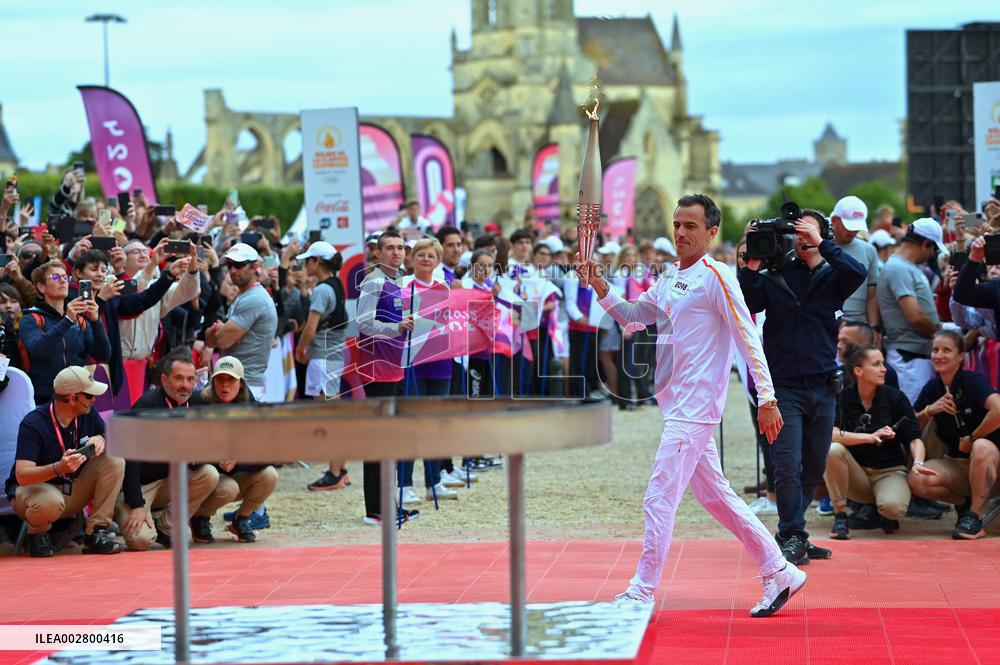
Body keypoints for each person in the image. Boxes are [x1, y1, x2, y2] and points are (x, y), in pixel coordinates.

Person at [583, 193, 805, 618]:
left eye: (691, 226)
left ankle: (642, 590)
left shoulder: (717, 276)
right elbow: (633, 316)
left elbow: (747, 337)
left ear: (711, 232)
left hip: (695, 408)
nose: (681, 232)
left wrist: (768, 397)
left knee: (658, 497)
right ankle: (780, 570)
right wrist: (599, 284)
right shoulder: (669, 276)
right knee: (717, 497)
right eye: (678, 224)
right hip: (675, 404)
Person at [738, 209, 867, 565]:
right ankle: (792, 534)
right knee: (786, 463)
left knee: (812, 464)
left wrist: (823, 243)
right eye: (796, 232)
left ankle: (796, 534)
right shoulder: (777, 274)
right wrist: (749, 261)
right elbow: (749, 300)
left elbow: (859, 272)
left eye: (805, 231)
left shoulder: (833, 275)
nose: (800, 238)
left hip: (824, 385)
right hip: (785, 387)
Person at [116, 347, 233, 550]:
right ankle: (132, 511)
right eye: (178, 378)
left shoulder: (198, 404)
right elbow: (129, 458)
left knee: (210, 474)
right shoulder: (147, 406)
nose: (185, 385)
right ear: (163, 380)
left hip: (172, 479)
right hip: (141, 485)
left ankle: (166, 527)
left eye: (190, 379)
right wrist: (136, 504)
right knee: (140, 540)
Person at [4, 366, 125, 557]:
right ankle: (37, 534)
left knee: (115, 460)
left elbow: (117, 440)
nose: (94, 399)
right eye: (89, 395)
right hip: (35, 493)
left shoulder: (88, 413)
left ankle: (96, 532)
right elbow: (22, 475)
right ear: (72, 398)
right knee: (48, 500)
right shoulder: (34, 423)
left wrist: (103, 438)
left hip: (71, 489)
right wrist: (58, 467)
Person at [825, 345, 932, 540]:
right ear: (858, 371)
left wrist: (918, 462)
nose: (884, 369)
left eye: (883, 363)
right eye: (876, 364)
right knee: (832, 450)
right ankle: (840, 515)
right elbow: (829, 434)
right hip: (856, 474)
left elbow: (914, 437)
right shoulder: (843, 397)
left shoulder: (895, 397)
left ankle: (882, 511)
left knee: (894, 509)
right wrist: (869, 436)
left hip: (889, 472)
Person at [909, 331, 1000, 539]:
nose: (939, 355)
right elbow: (911, 424)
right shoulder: (933, 387)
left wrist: (974, 436)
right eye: (935, 350)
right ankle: (964, 505)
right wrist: (929, 410)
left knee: (982, 447)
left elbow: (999, 410)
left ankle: (975, 518)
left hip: (992, 464)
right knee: (917, 478)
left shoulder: (973, 381)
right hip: (957, 465)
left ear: (960, 356)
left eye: (946, 350)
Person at [356, 231, 418, 525]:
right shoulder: (373, 281)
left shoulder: (398, 281)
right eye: (390, 248)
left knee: (390, 437)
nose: (396, 252)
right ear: (377, 253)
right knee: (378, 439)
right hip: (376, 368)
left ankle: (389, 505)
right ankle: (376, 510)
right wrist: (396, 328)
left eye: (400, 248)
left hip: (394, 366)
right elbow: (363, 323)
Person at [398, 238, 458, 500]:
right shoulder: (403, 286)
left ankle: (434, 482)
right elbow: (392, 319)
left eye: (431, 256)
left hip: (441, 362)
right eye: (420, 254)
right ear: (411, 258)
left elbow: (453, 320)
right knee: (411, 425)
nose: (425, 259)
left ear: (438, 260)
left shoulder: (445, 288)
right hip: (413, 362)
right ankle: (404, 485)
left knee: (435, 425)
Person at [199, 356, 279, 543]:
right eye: (220, 379)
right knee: (227, 486)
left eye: (231, 380)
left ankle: (241, 518)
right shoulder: (200, 404)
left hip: (236, 474)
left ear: (241, 383)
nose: (225, 386)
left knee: (270, 475)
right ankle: (200, 518)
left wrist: (239, 458)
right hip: (207, 478)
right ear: (213, 382)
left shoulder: (255, 410)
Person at [295, 241, 351, 491]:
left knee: (329, 417)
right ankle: (340, 469)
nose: (304, 264)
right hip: (333, 355)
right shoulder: (336, 285)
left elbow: (311, 327)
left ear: (318, 262)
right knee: (334, 414)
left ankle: (335, 472)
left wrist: (300, 348)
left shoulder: (321, 290)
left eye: (308, 260)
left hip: (322, 356)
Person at [20, 261, 112, 404]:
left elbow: (103, 355)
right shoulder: (30, 319)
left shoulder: (79, 320)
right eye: (56, 277)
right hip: (44, 399)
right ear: (41, 286)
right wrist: (67, 319)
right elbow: (38, 349)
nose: (63, 280)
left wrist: (95, 321)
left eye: (65, 277)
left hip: (78, 396)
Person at [876, 219, 946, 403]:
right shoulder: (898, 268)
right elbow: (915, 317)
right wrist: (939, 333)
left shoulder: (906, 267)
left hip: (914, 358)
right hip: (909, 360)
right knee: (913, 417)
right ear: (926, 244)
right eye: (933, 250)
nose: (932, 256)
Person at [206, 242, 278, 399]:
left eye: (238, 265)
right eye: (229, 265)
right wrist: (222, 332)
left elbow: (222, 341)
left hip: (245, 384)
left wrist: (221, 331)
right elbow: (210, 341)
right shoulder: (244, 296)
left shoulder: (254, 299)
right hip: (237, 382)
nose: (232, 270)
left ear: (254, 267)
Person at [831, 196, 880, 327]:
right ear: (835, 220)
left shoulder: (868, 250)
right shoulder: (815, 248)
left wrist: (874, 326)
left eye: (856, 227)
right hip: (825, 323)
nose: (853, 231)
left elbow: (872, 295)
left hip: (859, 325)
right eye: (848, 226)